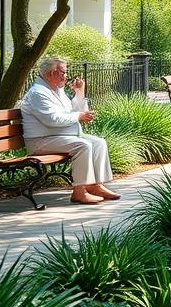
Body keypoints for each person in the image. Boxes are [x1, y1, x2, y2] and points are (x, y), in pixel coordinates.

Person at [19, 56, 120, 205]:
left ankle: (95, 185)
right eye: (63, 72)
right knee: (83, 145)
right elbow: (52, 119)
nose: (66, 76)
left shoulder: (56, 90)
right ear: (52, 73)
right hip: (40, 141)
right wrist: (79, 116)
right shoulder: (38, 93)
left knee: (99, 143)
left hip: (59, 137)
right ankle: (79, 192)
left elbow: (71, 110)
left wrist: (79, 93)